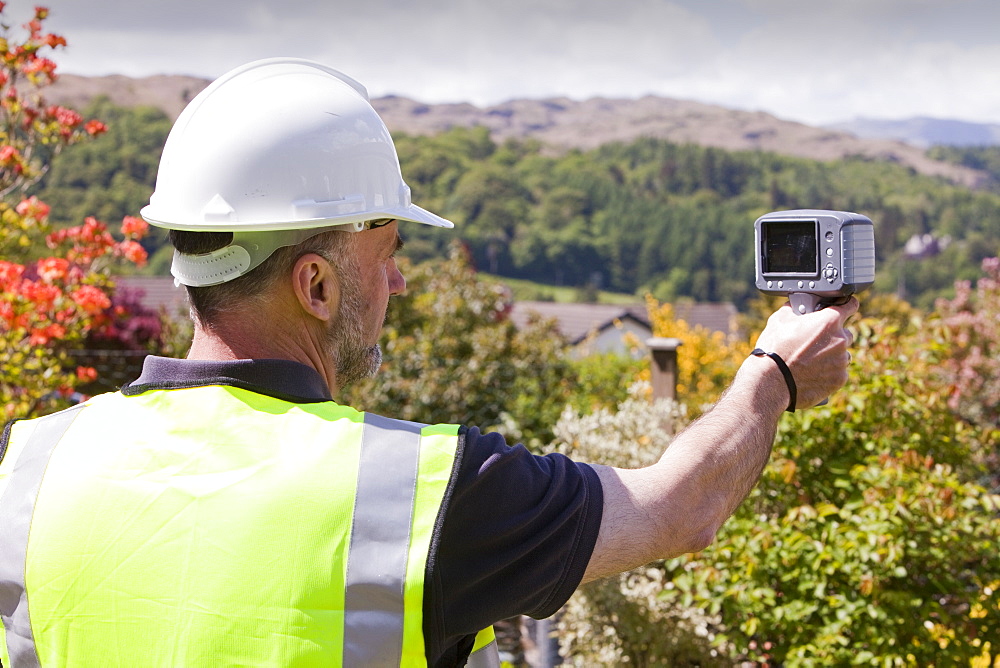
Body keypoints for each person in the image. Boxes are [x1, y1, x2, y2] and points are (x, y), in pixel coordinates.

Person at [0, 59, 856, 668]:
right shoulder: (421, 492)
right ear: (317, 285)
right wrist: (773, 374)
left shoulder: (30, 469)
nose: (400, 281)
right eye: (388, 252)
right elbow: (680, 509)